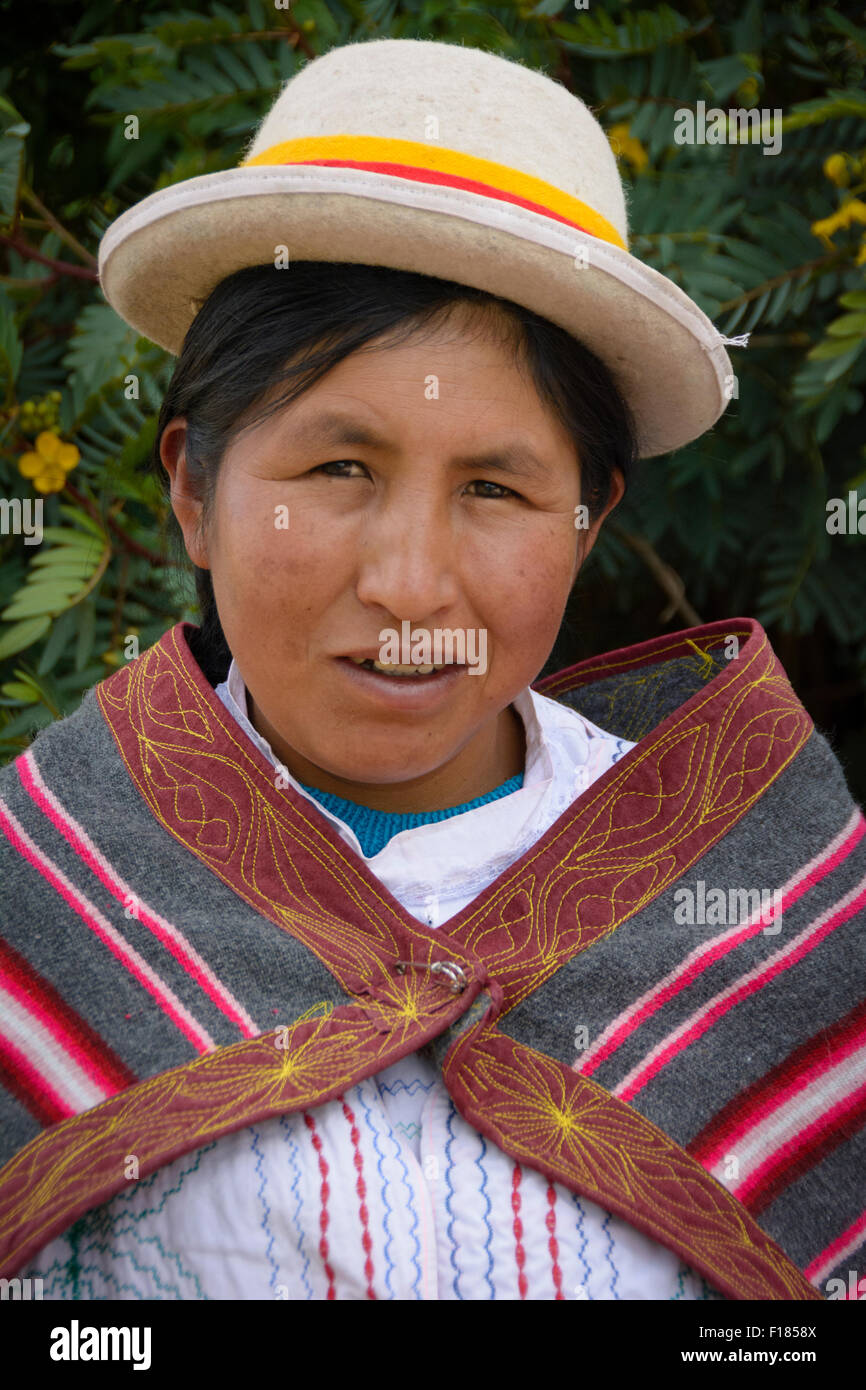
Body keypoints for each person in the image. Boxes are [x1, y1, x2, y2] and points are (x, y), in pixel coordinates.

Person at [0, 36, 862, 1302]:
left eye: (496, 488)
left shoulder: (775, 908)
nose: (409, 582)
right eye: (338, 469)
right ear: (192, 488)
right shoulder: (46, 897)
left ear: (587, 521)